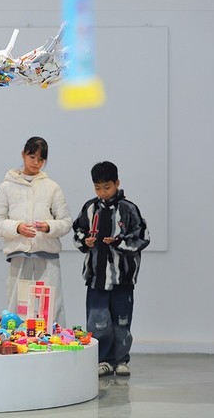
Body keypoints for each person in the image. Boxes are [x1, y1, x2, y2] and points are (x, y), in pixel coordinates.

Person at [72, 161, 150, 378]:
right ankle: (103, 360)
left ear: (117, 183)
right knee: (97, 321)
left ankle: (121, 360)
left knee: (122, 321)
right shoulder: (89, 208)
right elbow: (77, 231)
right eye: (97, 188)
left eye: (107, 187)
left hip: (123, 278)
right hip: (96, 278)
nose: (102, 192)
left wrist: (119, 242)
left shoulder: (129, 209)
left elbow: (143, 237)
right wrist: (85, 241)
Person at [0, 136, 72, 327]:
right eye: (32, 157)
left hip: (47, 256)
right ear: (23, 154)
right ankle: (15, 341)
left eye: (41, 159)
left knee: (50, 306)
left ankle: (55, 342)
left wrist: (49, 227)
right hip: (19, 254)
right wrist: (17, 227)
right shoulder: (7, 187)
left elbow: (66, 222)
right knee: (18, 306)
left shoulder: (52, 187)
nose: (36, 163)